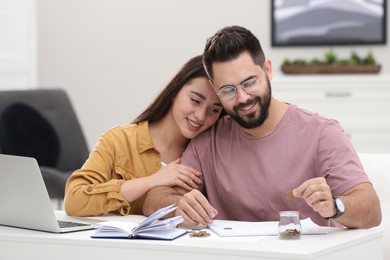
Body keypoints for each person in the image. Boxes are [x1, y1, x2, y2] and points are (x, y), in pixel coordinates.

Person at [143, 26, 382, 229]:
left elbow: (372, 210)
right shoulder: (208, 139)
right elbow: (154, 199)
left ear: (267, 70)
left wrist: (335, 205)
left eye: (249, 82)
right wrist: (178, 206)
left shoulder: (321, 133)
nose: (242, 98)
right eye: (228, 90)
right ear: (215, 89)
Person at [64, 55, 224, 216]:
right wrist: (153, 180)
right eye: (195, 100)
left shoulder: (205, 155)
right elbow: (74, 200)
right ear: (175, 91)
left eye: (214, 110)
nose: (201, 116)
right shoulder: (118, 141)